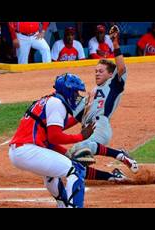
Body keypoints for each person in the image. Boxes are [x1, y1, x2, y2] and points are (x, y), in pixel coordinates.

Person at [8, 73, 95, 208]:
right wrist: (81, 136)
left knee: (52, 174)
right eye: (75, 92)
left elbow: (51, 132)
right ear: (67, 91)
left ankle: (63, 205)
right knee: (75, 170)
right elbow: (54, 136)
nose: (77, 95)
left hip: (20, 151)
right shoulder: (57, 104)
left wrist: (77, 120)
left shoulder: (50, 101)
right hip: (28, 150)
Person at [66, 25, 139, 182]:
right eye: (95, 71)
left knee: (82, 148)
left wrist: (115, 42)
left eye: (101, 71)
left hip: (101, 125)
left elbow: (121, 67)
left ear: (110, 74)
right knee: (70, 162)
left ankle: (120, 154)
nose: (97, 73)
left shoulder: (113, 85)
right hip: (88, 129)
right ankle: (112, 176)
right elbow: (75, 117)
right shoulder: (90, 94)